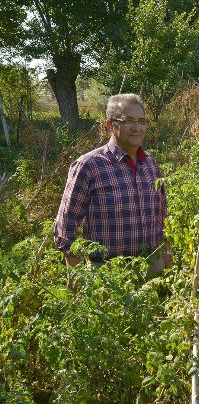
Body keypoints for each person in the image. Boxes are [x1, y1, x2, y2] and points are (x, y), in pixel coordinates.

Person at [54, 93, 170, 283]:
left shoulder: (151, 164)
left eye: (142, 121)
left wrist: (167, 265)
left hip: (152, 269)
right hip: (107, 274)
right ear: (109, 125)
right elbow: (66, 228)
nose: (137, 128)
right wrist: (78, 279)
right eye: (128, 121)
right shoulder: (89, 166)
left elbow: (163, 218)